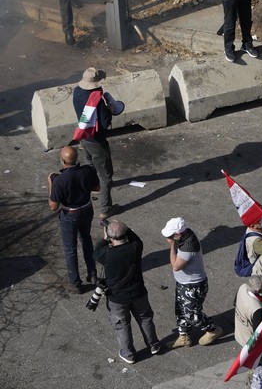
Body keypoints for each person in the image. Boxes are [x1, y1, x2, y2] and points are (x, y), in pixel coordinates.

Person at [94, 219, 162, 364]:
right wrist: (123, 227)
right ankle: (154, 345)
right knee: (145, 318)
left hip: (117, 298)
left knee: (122, 325)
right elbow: (135, 237)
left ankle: (129, 354)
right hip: (138, 293)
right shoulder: (136, 247)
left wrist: (106, 238)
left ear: (111, 237)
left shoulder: (106, 255)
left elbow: (97, 251)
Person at [162, 217, 222, 348]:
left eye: (171, 236)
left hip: (193, 286)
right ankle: (184, 336)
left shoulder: (188, 247)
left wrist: (172, 245)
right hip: (184, 283)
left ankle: (212, 329)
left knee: (192, 315)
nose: (169, 238)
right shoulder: (186, 233)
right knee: (180, 311)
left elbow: (176, 265)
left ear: (178, 234)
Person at [47, 145, 99, 292]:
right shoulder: (88, 171)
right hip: (87, 210)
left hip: (69, 216)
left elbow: (53, 206)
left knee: (70, 249)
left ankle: (76, 283)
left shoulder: (59, 180)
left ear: (63, 161)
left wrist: (51, 183)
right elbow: (97, 188)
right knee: (86, 239)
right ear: (76, 159)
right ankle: (92, 273)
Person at [72, 66, 120, 219]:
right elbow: (105, 124)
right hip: (96, 141)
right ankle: (106, 209)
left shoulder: (77, 92)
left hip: (82, 135)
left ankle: (94, 185)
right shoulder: (97, 100)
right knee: (106, 175)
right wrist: (109, 109)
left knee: (91, 163)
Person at [233, 273, 262, 365]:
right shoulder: (257, 309)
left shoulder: (243, 287)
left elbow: (234, 303)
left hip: (239, 333)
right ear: (258, 290)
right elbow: (259, 333)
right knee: (257, 364)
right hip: (249, 342)